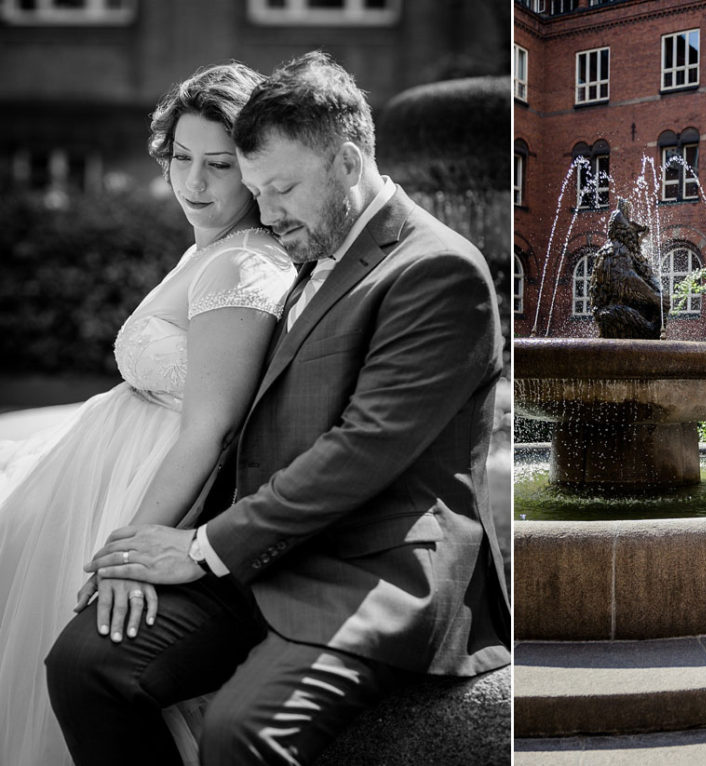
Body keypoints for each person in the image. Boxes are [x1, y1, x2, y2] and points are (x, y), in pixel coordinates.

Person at [46, 51, 510, 766]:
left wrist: (197, 548)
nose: (266, 214)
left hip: (370, 574)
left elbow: (361, 449)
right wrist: (154, 541)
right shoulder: (307, 245)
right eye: (257, 190)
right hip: (263, 559)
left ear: (349, 163)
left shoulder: (437, 270)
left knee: (241, 733)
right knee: (84, 664)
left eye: (282, 189)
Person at [0, 62, 295, 766]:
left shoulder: (243, 266)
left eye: (219, 166)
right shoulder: (211, 249)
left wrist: (139, 547)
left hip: (149, 492)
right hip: (109, 475)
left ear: (255, 167)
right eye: (181, 159)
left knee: (88, 670)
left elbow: (213, 428)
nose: (194, 185)